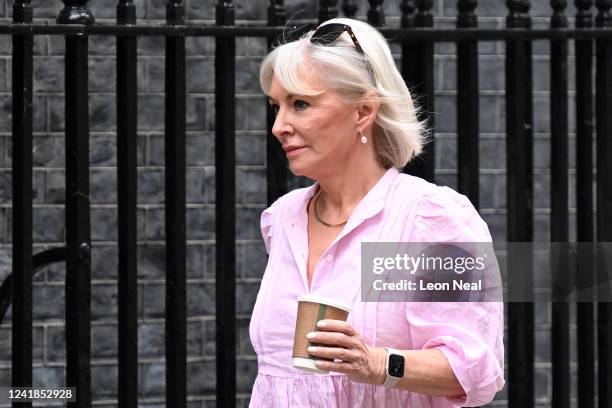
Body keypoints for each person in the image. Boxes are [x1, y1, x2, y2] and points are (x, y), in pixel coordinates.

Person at [248, 17, 504, 407]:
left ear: (363, 111)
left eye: (300, 104)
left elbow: (474, 371)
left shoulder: (425, 220)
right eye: (277, 107)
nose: (279, 126)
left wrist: (378, 364)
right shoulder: (284, 218)